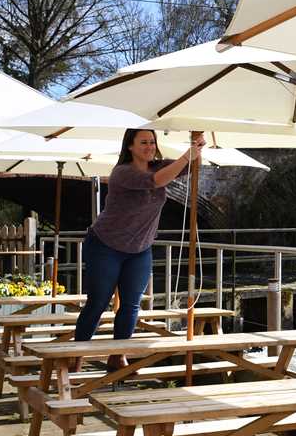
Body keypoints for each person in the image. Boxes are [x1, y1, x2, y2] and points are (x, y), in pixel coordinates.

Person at [72, 128, 205, 368]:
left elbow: (193, 168)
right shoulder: (123, 173)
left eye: (152, 142)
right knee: (98, 302)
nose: (150, 146)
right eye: (143, 142)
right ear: (130, 146)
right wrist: (188, 155)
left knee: (132, 303)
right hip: (105, 245)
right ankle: (75, 355)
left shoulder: (159, 165)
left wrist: (198, 148)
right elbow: (157, 181)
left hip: (140, 248)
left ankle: (118, 354)